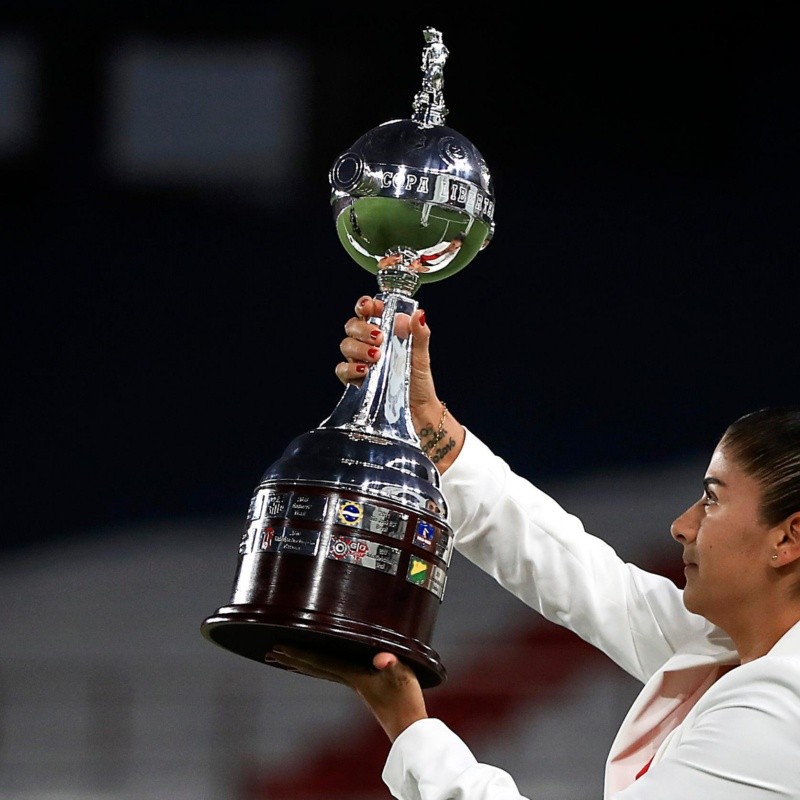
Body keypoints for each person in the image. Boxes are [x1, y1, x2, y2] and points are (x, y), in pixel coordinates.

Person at [271, 295, 800, 799]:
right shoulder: (737, 650)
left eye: (711, 499)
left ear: (788, 537)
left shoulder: (779, 706)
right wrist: (428, 423)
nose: (682, 526)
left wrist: (409, 726)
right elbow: (580, 576)